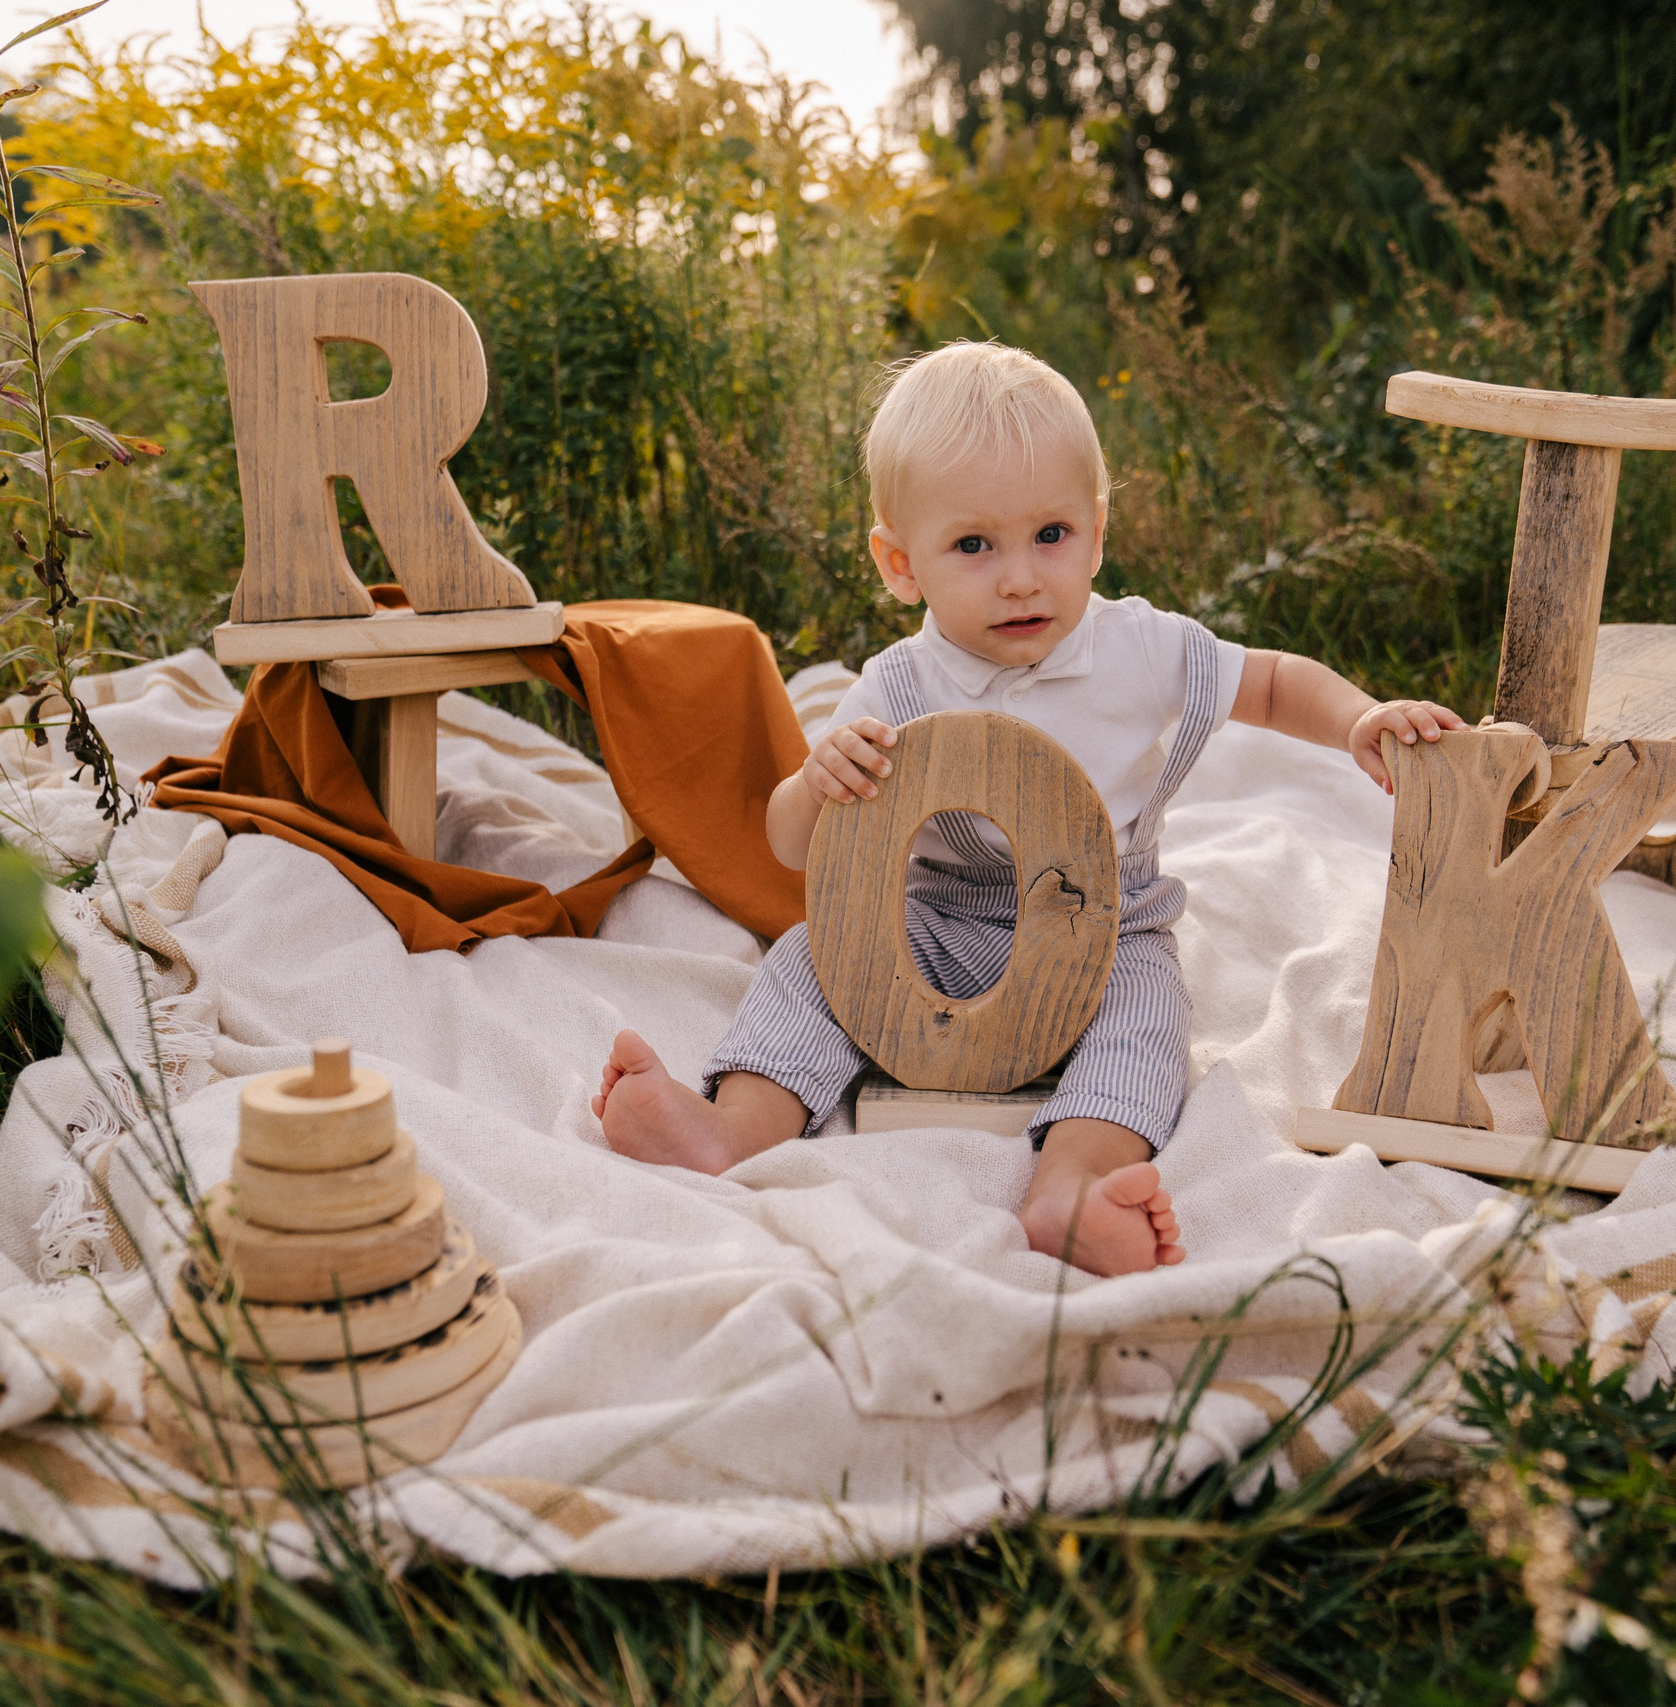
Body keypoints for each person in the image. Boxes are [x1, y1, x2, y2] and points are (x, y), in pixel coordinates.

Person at [593, 342, 1465, 1276]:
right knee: (812, 960)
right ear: (900, 562)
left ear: (1095, 531)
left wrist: (1359, 717)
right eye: (973, 545)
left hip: (1104, 930)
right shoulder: (899, 685)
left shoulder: (1139, 646)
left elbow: (1273, 682)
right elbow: (790, 845)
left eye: (1050, 535)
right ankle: (734, 1128)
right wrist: (818, 785)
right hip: (932, 924)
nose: (1020, 577)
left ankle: (1073, 1190)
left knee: (1146, 1025)